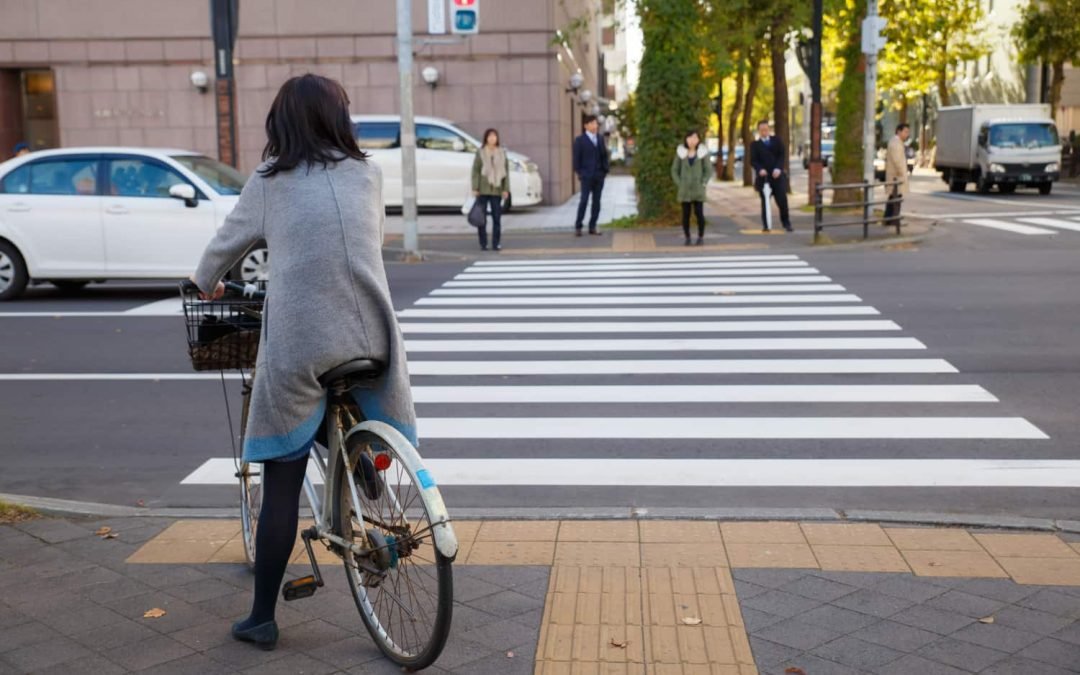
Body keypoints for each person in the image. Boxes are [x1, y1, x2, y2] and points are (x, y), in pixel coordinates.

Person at [190, 74, 417, 652]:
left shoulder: (271, 181)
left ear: (281, 125)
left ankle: (262, 618)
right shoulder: (369, 174)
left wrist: (203, 280)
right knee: (337, 387)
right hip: (371, 332)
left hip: (300, 342)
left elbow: (227, 244)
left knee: (281, 480)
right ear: (340, 120)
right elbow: (373, 237)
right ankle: (362, 458)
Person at [750, 120, 793, 233]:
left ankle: (786, 222)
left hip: (777, 177)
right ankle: (766, 224)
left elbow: (782, 155)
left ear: (769, 130)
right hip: (764, 179)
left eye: (766, 129)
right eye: (761, 130)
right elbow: (753, 161)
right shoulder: (755, 145)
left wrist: (778, 168)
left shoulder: (777, 141)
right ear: (759, 131)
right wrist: (760, 169)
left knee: (782, 201)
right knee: (765, 203)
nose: (764, 132)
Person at [670, 129, 711, 246]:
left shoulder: (702, 152)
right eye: (690, 138)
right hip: (685, 189)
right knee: (685, 214)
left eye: (695, 138)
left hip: (698, 188)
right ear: (686, 139)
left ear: (698, 140)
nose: (692, 141)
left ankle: (700, 236)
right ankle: (687, 236)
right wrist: (679, 183)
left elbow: (708, 170)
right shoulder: (681, 152)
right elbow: (674, 170)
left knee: (699, 213)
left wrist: (703, 182)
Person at [471, 128, 509, 251]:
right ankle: (483, 243)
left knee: (496, 218)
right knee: (481, 219)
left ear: (497, 138)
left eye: (494, 136)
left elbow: (506, 172)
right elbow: (475, 171)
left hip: (497, 189)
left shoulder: (502, 152)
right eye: (490, 136)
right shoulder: (480, 152)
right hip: (483, 189)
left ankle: (496, 243)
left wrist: (505, 189)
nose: (492, 138)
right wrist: (475, 187)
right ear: (486, 138)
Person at [572, 114, 609, 236]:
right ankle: (578, 226)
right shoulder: (579, 141)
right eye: (593, 123)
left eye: (596, 123)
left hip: (599, 176)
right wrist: (581, 173)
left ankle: (592, 226)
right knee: (584, 200)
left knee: (596, 202)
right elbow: (576, 161)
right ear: (586, 126)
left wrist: (604, 171)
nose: (595, 125)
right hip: (586, 176)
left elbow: (604, 156)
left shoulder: (599, 138)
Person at [884, 123, 911, 226]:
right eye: (905, 132)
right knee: (895, 197)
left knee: (894, 197)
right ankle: (892, 219)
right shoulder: (896, 142)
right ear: (899, 131)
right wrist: (901, 172)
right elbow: (897, 160)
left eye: (907, 132)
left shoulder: (896, 142)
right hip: (896, 176)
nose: (907, 134)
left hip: (896, 175)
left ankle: (889, 219)